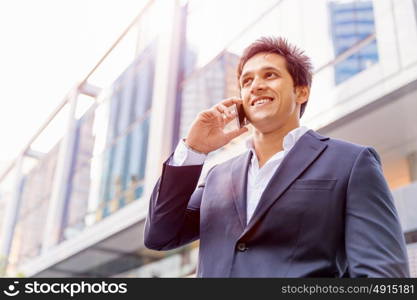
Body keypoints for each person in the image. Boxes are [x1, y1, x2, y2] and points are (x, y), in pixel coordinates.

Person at [144, 36, 410, 277]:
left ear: (301, 91)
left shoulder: (351, 163)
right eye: (246, 81)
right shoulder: (217, 176)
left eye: (269, 75)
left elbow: (382, 277)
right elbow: (159, 235)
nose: (256, 86)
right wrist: (193, 149)